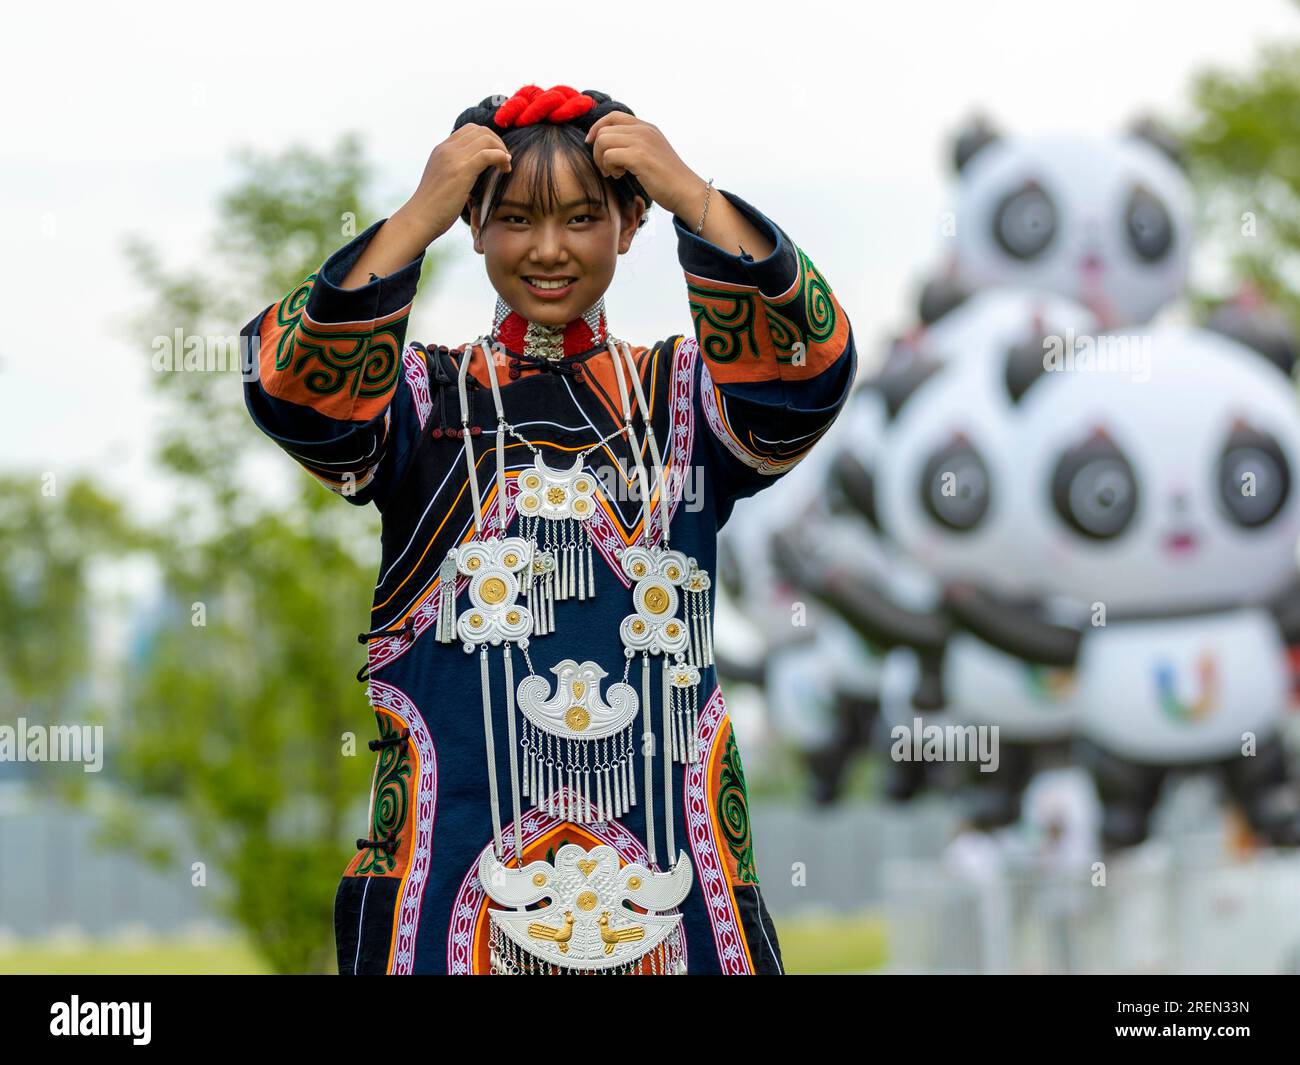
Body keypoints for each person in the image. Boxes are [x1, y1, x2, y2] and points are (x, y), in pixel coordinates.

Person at [240, 83, 857, 974]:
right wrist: (418, 212)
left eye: (580, 218)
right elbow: (291, 391)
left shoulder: (685, 400)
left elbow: (808, 372)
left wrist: (691, 193)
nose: (549, 250)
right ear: (475, 228)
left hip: (675, 900)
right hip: (446, 891)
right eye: (516, 219)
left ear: (629, 225)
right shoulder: (422, 405)